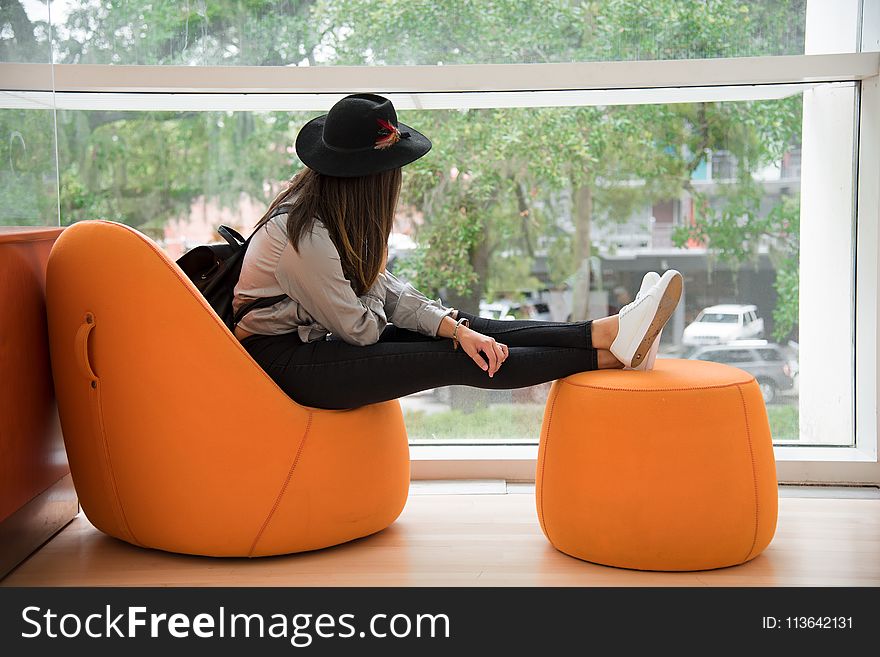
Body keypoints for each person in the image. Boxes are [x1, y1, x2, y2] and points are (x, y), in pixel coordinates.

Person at [232, 93, 682, 410]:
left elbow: (386, 293)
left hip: (317, 343)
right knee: (455, 356)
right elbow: (361, 329)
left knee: (469, 331)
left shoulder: (332, 216)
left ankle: (610, 332)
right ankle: (617, 357)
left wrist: (453, 326)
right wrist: (446, 335)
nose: (398, 180)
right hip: (284, 364)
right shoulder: (302, 236)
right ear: (370, 180)